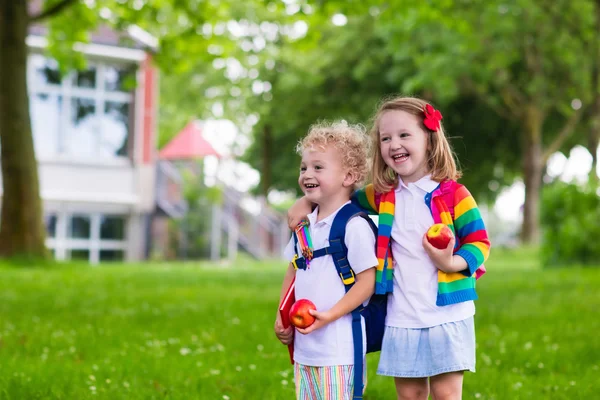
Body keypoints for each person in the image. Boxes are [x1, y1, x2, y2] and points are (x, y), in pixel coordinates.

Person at [287, 97, 491, 400]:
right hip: (401, 315)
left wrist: (451, 263)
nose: (394, 144)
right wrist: (307, 200)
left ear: (430, 140)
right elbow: (342, 196)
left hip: (447, 313)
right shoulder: (383, 195)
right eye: (386, 138)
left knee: (447, 395)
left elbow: (480, 243)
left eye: (404, 135)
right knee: (410, 395)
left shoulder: (453, 194)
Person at [274, 121, 378, 400]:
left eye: (318, 167)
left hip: (340, 350)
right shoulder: (304, 225)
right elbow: (293, 270)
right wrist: (281, 316)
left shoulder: (354, 226)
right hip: (306, 351)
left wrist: (330, 315)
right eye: (304, 167)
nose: (307, 173)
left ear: (348, 176)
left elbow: (367, 282)